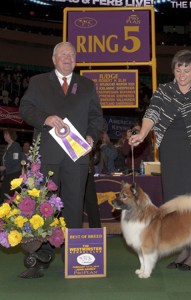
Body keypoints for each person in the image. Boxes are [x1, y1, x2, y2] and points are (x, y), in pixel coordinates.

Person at [129, 49, 191, 271]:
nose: (182, 74)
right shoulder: (164, 91)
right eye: (178, 69)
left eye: (187, 70)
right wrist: (142, 133)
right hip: (170, 152)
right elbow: (152, 114)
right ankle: (182, 249)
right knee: (174, 203)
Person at [19, 42, 103, 265]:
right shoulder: (38, 82)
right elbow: (25, 108)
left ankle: (74, 256)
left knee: (75, 206)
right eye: (63, 54)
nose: (68, 57)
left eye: (72, 54)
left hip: (77, 157)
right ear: (54, 59)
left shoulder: (87, 85)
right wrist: (45, 119)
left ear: (76, 60)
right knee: (44, 206)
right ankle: (42, 253)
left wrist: (91, 137)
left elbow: (96, 117)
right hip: (47, 156)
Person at [0, 129, 22, 204]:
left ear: (11, 135)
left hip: (14, 174)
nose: (4, 136)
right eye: (4, 134)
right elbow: (4, 160)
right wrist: (4, 174)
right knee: (4, 194)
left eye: (6, 134)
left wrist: (5, 167)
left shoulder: (15, 145)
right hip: (8, 174)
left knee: (8, 195)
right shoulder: (7, 146)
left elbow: (16, 160)